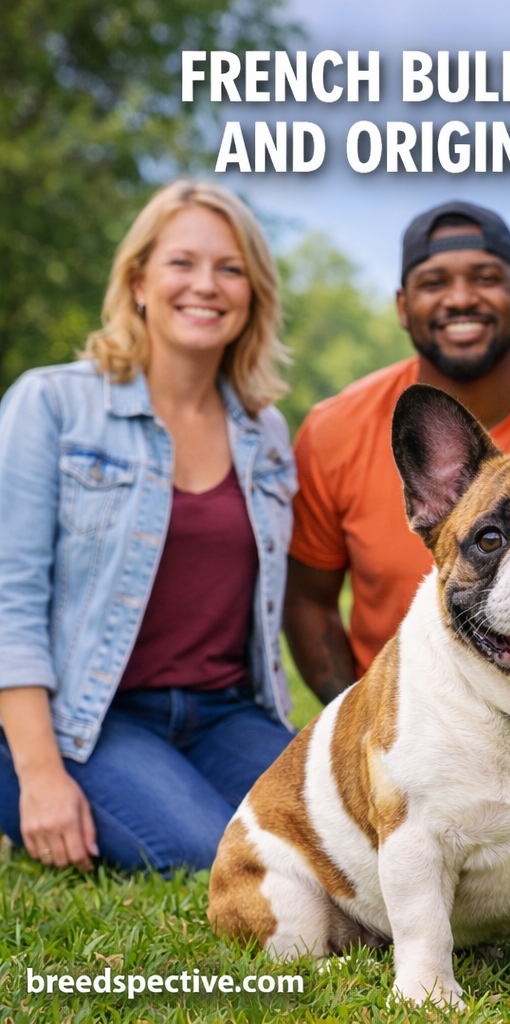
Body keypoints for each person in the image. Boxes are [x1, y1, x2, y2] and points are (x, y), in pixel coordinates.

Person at [0, 181, 298, 874]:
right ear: (137, 282)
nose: (207, 285)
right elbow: (8, 602)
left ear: (252, 293)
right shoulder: (51, 404)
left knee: (341, 828)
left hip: (224, 712)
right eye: (181, 263)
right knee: (205, 854)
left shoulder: (265, 432)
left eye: (231, 269)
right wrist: (43, 778)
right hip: (95, 717)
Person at [284, 200, 510, 702]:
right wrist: (361, 715)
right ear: (401, 305)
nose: (460, 298)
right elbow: (307, 599)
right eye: (434, 283)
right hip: (414, 714)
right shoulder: (334, 429)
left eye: (484, 277)